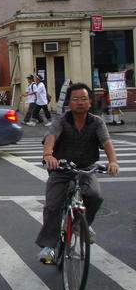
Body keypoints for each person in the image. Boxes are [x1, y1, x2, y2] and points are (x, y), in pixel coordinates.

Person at [36, 83, 119, 264]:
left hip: (86, 169)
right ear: (69, 103)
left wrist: (112, 161)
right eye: (75, 99)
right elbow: (51, 137)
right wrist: (48, 155)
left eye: (84, 99)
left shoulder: (96, 122)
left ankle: (82, 226)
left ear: (90, 102)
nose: (80, 102)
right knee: (53, 205)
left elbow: (106, 142)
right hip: (61, 169)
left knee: (95, 196)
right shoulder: (62, 121)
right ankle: (49, 246)